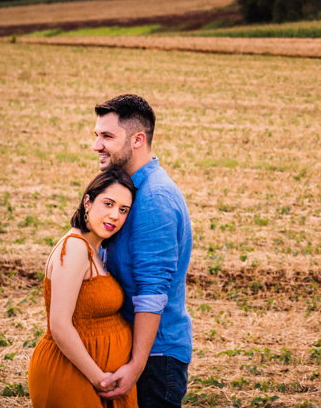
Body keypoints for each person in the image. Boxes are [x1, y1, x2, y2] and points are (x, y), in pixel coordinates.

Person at [91, 94, 194, 408]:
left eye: (107, 136)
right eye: (96, 135)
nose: (96, 145)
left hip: (154, 361)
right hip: (137, 354)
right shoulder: (130, 192)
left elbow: (152, 291)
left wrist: (136, 366)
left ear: (138, 139)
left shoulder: (155, 199)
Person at [28, 168, 138, 408]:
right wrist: (99, 379)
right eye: (108, 204)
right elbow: (59, 324)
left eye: (123, 210)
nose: (114, 216)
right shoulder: (75, 247)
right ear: (87, 202)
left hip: (93, 376)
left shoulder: (94, 250)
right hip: (71, 374)